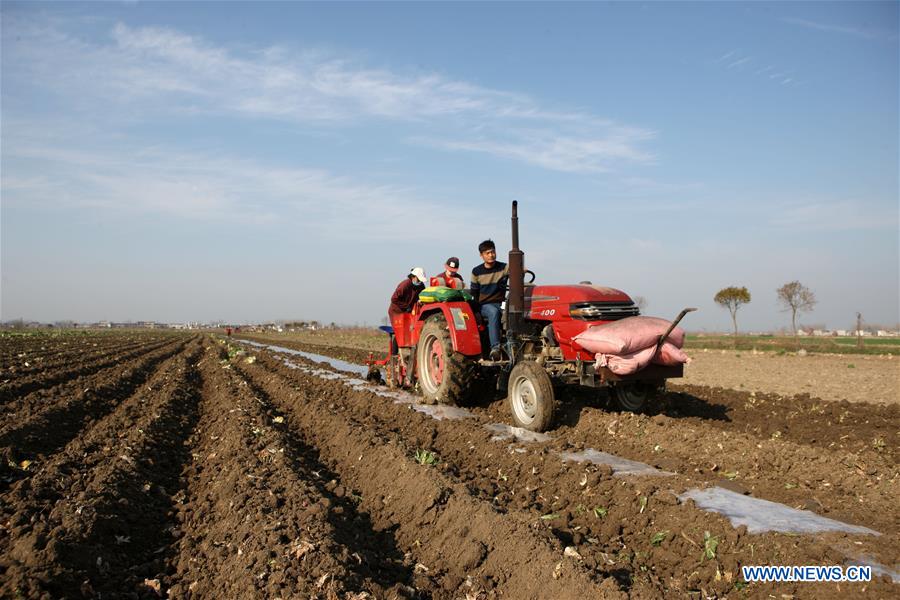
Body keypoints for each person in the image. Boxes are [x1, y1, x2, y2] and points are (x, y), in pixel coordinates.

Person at [470, 240, 508, 360]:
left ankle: (512, 344)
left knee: (513, 311)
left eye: (493, 252)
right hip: (485, 305)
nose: (491, 255)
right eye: (488, 253)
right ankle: (495, 348)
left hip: (502, 303)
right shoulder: (476, 271)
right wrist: (476, 311)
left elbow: (516, 269)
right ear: (481, 255)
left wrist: (521, 269)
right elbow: (474, 293)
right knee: (493, 312)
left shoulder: (504, 267)